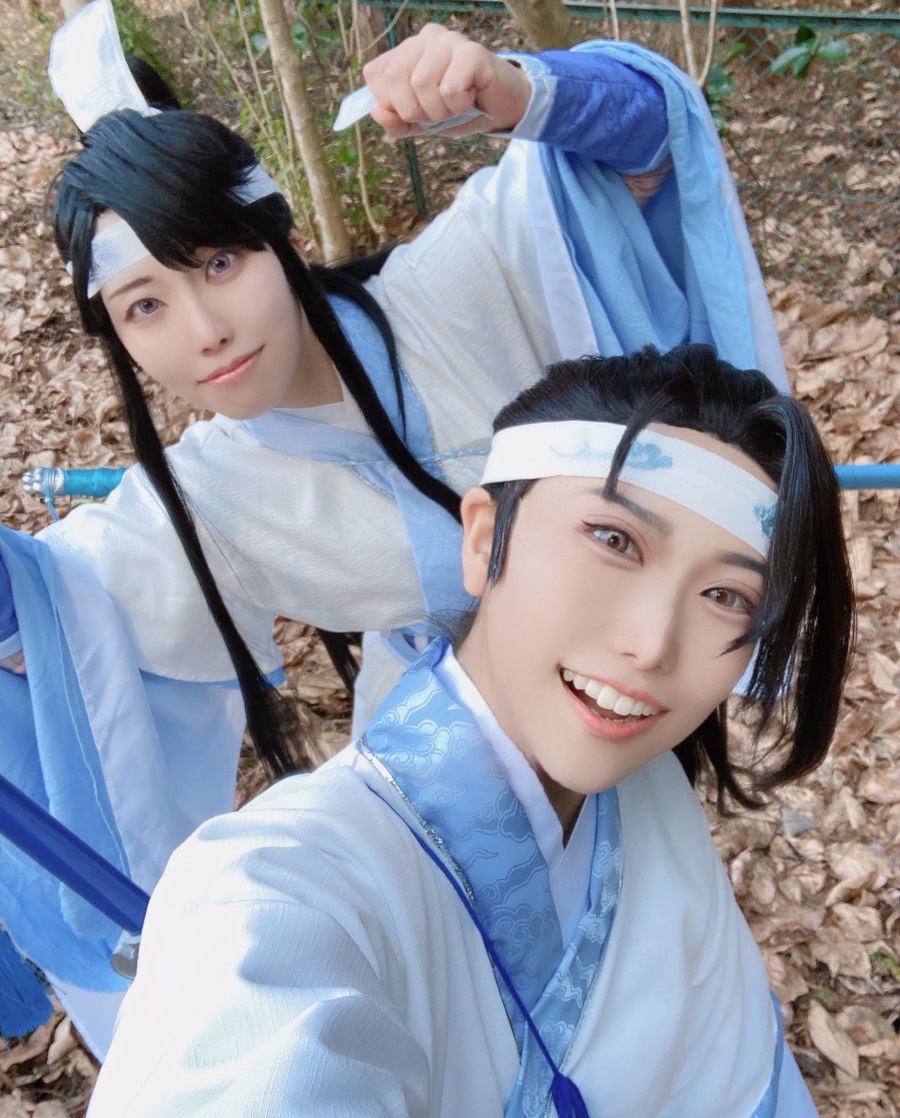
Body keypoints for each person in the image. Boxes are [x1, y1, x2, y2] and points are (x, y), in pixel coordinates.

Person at [0, 0, 788, 1053]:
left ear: (276, 234)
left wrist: (521, 91)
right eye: (145, 305)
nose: (206, 330)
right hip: (436, 791)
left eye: (220, 262)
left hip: (620, 719)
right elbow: (52, 617)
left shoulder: (457, 285)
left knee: (676, 1029)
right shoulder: (202, 501)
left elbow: (649, 152)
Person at [85, 344, 853, 1117]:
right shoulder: (270, 891)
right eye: (615, 541)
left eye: (727, 596)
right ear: (485, 539)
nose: (653, 645)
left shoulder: (650, 799)